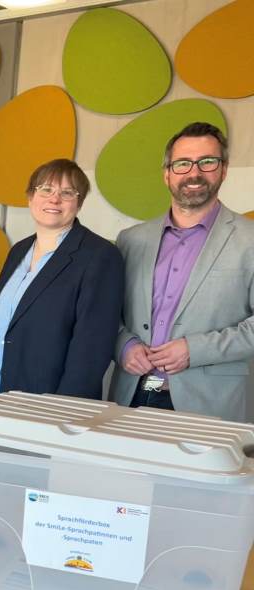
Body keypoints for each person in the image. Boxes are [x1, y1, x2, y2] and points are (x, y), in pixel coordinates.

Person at [110, 122, 254, 420]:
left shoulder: (249, 240)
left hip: (211, 405)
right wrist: (123, 345)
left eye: (207, 161)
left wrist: (195, 349)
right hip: (130, 396)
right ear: (167, 174)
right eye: (183, 163)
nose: (194, 172)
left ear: (223, 170)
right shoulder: (130, 239)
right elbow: (104, 312)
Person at [0, 159, 124, 400]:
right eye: (45, 189)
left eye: (67, 192)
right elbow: (1, 329)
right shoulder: (18, 251)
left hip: (49, 404)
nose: (54, 199)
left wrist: (62, 409)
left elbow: (92, 349)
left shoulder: (100, 256)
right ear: (30, 197)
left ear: (79, 202)